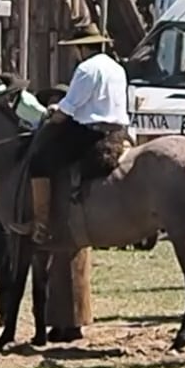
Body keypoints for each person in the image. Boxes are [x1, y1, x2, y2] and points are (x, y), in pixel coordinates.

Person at [27, 23, 129, 244]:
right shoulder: (117, 68)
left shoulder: (86, 69)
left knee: (39, 161)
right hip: (118, 131)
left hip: (89, 134)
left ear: (82, 48)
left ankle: (42, 223)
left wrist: (53, 115)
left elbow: (68, 109)